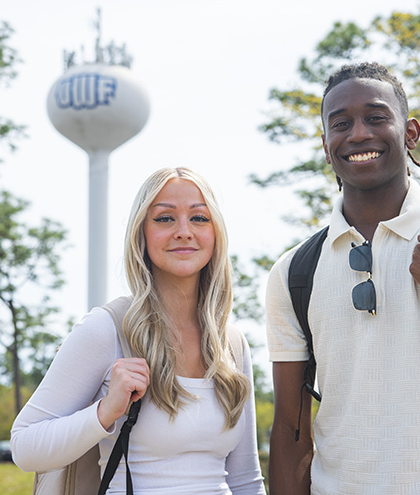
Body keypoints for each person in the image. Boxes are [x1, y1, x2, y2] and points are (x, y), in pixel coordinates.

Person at [266, 62, 420, 494]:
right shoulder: (294, 272)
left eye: (376, 117)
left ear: (410, 132)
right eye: (341, 124)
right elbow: (290, 432)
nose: (358, 134)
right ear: (325, 145)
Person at [11, 166, 266, 494]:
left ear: (216, 233)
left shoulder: (230, 342)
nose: (184, 231)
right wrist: (104, 413)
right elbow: (24, 447)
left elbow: (246, 479)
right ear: (141, 234)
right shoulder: (107, 329)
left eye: (199, 218)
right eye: (164, 218)